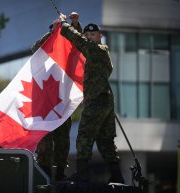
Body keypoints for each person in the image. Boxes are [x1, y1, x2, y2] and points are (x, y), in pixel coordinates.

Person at [57, 12, 124, 184]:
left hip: (96, 101)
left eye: (92, 34)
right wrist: (76, 24)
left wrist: (64, 25)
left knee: (84, 136)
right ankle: (116, 175)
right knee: (105, 140)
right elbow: (81, 43)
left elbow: (81, 42)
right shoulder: (93, 51)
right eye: (87, 34)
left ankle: (82, 174)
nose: (89, 37)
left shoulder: (99, 50)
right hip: (104, 100)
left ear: (100, 36)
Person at [31, 14, 82, 181]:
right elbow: (35, 49)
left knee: (62, 141)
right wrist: (53, 31)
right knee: (45, 142)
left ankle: (59, 173)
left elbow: (79, 46)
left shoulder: (67, 53)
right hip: (45, 105)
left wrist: (74, 24)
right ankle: (45, 173)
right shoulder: (43, 51)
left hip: (61, 103)